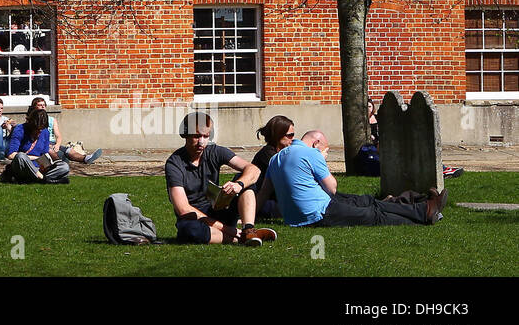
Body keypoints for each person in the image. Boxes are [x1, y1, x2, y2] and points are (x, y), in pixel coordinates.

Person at [266, 129, 448, 228]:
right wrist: (321, 159)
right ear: (316, 144)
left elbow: (263, 193)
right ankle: (424, 215)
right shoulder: (311, 153)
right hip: (318, 213)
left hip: (299, 215)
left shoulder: (275, 159)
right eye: (326, 149)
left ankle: (424, 209)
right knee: (372, 214)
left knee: (368, 201)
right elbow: (332, 188)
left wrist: (250, 222)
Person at [164, 111, 276, 246]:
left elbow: (254, 170)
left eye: (206, 136)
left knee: (245, 180)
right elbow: (183, 209)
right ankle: (243, 238)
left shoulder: (215, 151)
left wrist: (239, 184)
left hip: (218, 210)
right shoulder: (174, 163)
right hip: (194, 218)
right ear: (185, 134)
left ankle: (248, 229)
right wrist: (227, 229)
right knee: (190, 230)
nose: (201, 142)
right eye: (196, 136)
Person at [233, 115, 294, 225]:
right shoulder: (268, 154)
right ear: (278, 135)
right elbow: (289, 177)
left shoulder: (282, 153)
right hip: (259, 201)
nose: (292, 139)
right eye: (290, 135)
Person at [29, 95, 103, 165]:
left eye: (44, 105)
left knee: (68, 150)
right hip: (42, 143)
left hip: (53, 142)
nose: (43, 107)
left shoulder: (52, 120)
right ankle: (61, 162)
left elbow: (58, 136)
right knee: (55, 152)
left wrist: (57, 145)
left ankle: (86, 158)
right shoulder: (32, 120)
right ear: (34, 107)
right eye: (40, 105)